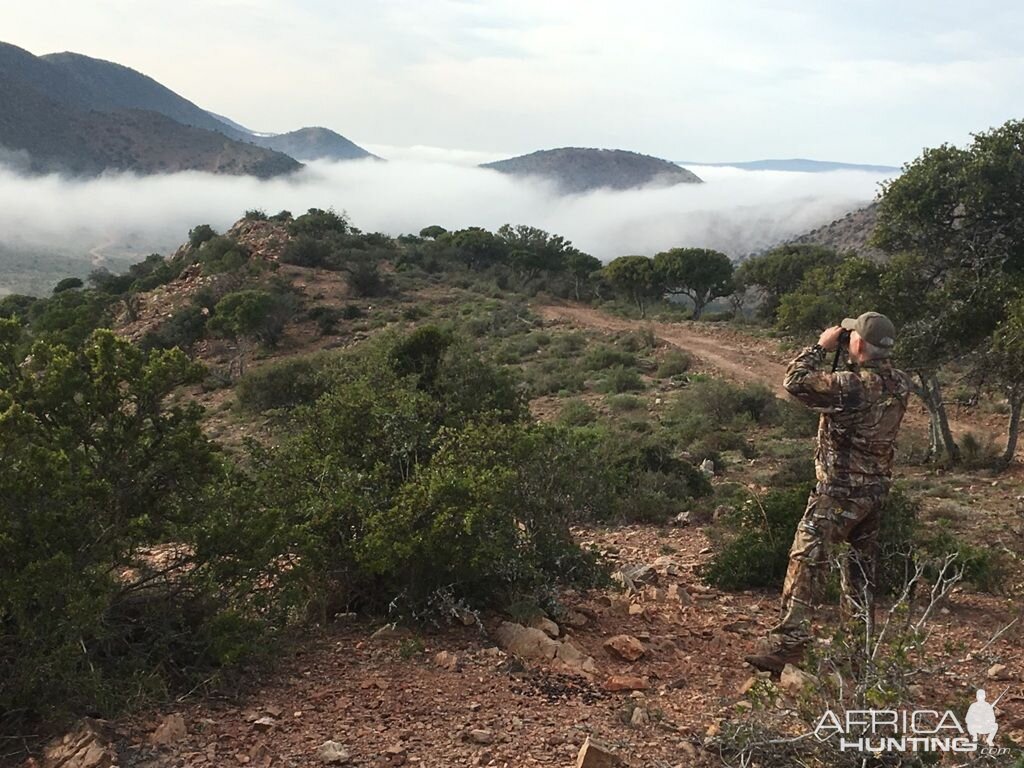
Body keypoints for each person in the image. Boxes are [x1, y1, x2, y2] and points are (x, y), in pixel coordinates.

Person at [746, 312, 912, 673]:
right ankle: (858, 652)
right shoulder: (900, 382)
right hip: (875, 490)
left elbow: (795, 381)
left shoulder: (853, 386)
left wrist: (819, 348)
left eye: (852, 335)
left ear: (858, 344)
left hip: (839, 492)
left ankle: (789, 645)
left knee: (806, 558)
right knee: (859, 571)